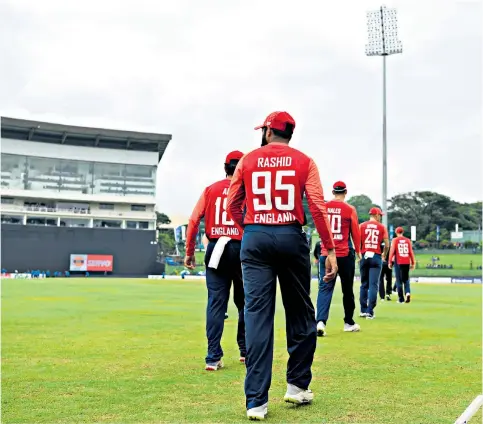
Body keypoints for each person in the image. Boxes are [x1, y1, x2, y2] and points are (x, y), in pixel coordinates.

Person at [226, 111, 336, 421]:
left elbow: (233, 203)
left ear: (267, 132)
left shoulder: (248, 160)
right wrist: (328, 247)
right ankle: (297, 386)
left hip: (255, 237)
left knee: (257, 317)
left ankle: (256, 402)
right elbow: (316, 204)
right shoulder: (305, 161)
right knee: (301, 313)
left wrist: (250, 228)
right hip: (291, 235)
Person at [184, 150, 246, 371]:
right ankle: (245, 350)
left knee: (216, 303)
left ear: (225, 167)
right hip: (241, 248)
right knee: (245, 303)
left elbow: (193, 221)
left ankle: (213, 357)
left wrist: (189, 251)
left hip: (216, 248)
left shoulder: (211, 189)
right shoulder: (247, 190)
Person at [316, 181, 361, 336]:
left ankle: (320, 321)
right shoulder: (350, 209)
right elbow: (355, 232)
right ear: (345, 192)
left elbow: (320, 229)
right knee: (347, 290)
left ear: (333, 192)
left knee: (324, 288)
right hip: (344, 253)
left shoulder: (324, 207)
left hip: (326, 253)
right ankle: (348, 322)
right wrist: (359, 251)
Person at [359, 207, 389, 319]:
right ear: (376, 215)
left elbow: (356, 241)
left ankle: (362, 310)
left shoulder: (361, 225)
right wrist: (384, 254)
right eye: (380, 215)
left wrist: (358, 253)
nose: (380, 217)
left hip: (364, 254)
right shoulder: (382, 227)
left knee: (364, 284)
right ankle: (370, 311)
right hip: (376, 256)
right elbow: (387, 244)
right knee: (373, 285)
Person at [388, 227, 415, 303]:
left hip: (398, 262)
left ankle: (401, 299)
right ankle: (407, 293)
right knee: (406, 279)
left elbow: (392, 251)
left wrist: (390, 262)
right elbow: (410, 252)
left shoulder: (395, 240)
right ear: (403, 232)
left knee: (399, 280)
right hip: (406, 261)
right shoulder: (407, 240)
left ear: (396, 232)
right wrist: (413, 262)